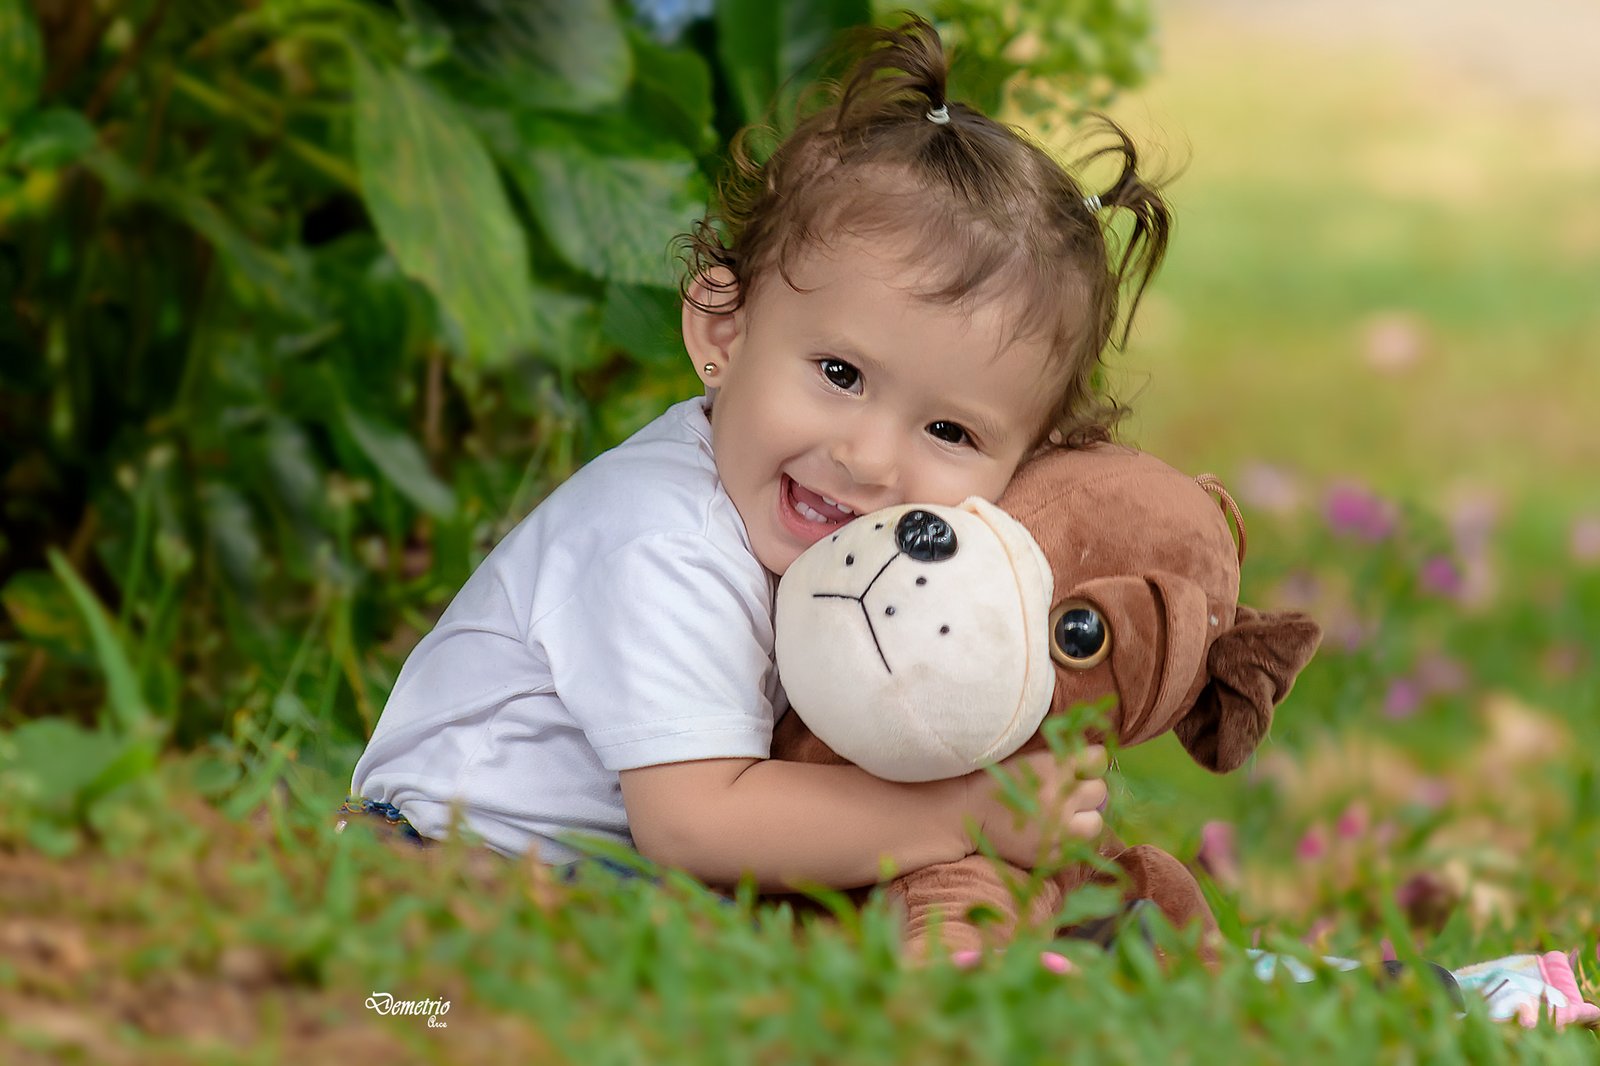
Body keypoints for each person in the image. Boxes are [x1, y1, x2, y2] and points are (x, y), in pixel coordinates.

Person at [349, 15, 1171, 891]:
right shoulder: (664, 541)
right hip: (452, 863)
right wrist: (968, 814)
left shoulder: (866, 555)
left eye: (950, 432)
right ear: (722, 328)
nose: (867, 458)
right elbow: (697, 820)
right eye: (840, 372)